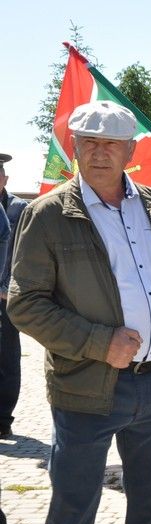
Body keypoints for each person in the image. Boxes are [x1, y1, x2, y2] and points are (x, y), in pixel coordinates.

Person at [7, 101, 151, 524]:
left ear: (130, 150)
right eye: (89, 143)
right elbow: (25, 304)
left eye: (111, 143)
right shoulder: (47, 214)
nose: (99, 153)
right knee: (73, 511)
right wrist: (100, 343)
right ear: (74, 147)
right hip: (86, 387)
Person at [0, 154, 26, 439]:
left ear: (5, 179)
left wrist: (10, 287)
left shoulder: (19, 208)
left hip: (7, 297)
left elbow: (23, 253)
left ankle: (4, 418)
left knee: (7, 360)